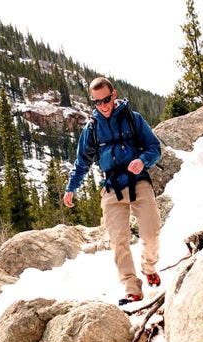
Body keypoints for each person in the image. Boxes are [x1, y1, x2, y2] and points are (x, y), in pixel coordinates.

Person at [63, 77, 162, 305]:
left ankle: (149, 267)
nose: (103, 106)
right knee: (118, 241)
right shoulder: (92, 129)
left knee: (151, 233)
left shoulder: (133, 119)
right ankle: (131, 288)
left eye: (106, 100)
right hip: (111, 187)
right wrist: (71, 188)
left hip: (138, 181)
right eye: (97, 102)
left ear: (114, 95)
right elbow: (82, 163)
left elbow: (154, 148)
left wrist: (142, 160)